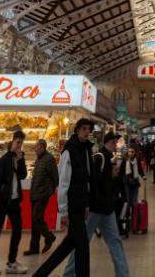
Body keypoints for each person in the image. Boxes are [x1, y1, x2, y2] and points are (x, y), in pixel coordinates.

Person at [61, 132, 130, 277]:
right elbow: (91, 183)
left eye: (116, 142)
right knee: (82, 243)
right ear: (107, 142)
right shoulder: (99, 158)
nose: (115, 145)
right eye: (113, 142)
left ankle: (123, 274)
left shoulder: (109, 160)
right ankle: (68, 273)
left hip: (106, 209)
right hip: (95, 209)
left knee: (115, 241)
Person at [32, 119, 94, 277]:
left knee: (68, 245)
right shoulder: (69, 151)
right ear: (77, 130)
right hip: (72, 206)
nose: (87, 132)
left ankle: (40, 274)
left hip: (80, 205)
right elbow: (63, 181)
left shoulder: (85, 149)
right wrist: (63, 211)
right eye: (84, 128)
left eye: (89, 129)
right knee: (82, 246)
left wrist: (87, 205)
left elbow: (86, 179)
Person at [0, 137, 29, 275]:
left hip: (14, 201)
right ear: (11, 145)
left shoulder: (18, 159)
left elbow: (23, 175)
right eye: (17, 143)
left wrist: (20, 160)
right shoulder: (4, 160)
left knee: (17, 230)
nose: (19, 146)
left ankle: (12, 262)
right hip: (3, 202)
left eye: (21, 144)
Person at [25, 140, 59, 256]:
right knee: (34, 221)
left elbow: (55, 176)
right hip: (35, 193)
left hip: (43, 193)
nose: (35, 149)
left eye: (37, 147)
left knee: (37, 217)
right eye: (34, 147)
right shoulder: (39, 159)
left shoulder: (49, 159)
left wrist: (52, 189)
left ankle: (49, 237)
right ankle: (34, 248)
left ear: (43, 147)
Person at [119, 146, 143, 221]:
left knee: (134, 202)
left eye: (132, 152)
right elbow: (121, 172)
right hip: (127, 183)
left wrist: (143, 175)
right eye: (129, 151)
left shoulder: (137, 160)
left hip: (135, 183)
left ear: (135, 152)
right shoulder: (125, 160)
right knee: (128, 201)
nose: (131, 153)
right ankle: (127, 218)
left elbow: (140, 169)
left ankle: (134, 219)